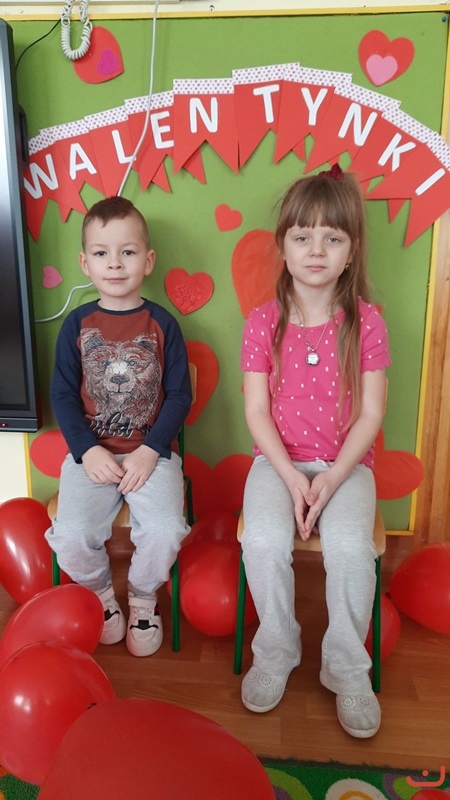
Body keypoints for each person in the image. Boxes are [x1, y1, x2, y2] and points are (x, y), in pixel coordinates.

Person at [240, 165, 390, 738]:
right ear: (283, 246)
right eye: (302, 237)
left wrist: (329, 479)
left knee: (350, 546)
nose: (316, 250)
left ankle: (347, 668)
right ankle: (277, 648)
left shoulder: (367, 323)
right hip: (277, 462)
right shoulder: (263, 322)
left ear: (351, 252)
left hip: (346, 466)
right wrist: (292, 477)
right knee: (262, 538)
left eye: (333, 238)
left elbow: (370, 414)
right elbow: (257, 412)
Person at [45, 196, 192, 657]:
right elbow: (63, 396)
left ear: (147, 261)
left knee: (166, 528)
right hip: (91, 456)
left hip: (151, 454)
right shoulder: (76, 325)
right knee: (70, 534)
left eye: (127, 252)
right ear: (85, 263)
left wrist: (151, 450)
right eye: (102, 253)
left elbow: (179, 396)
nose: (114, 263)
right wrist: (87, 450)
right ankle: (102, 594)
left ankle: (144, 597)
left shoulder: (163, 324)